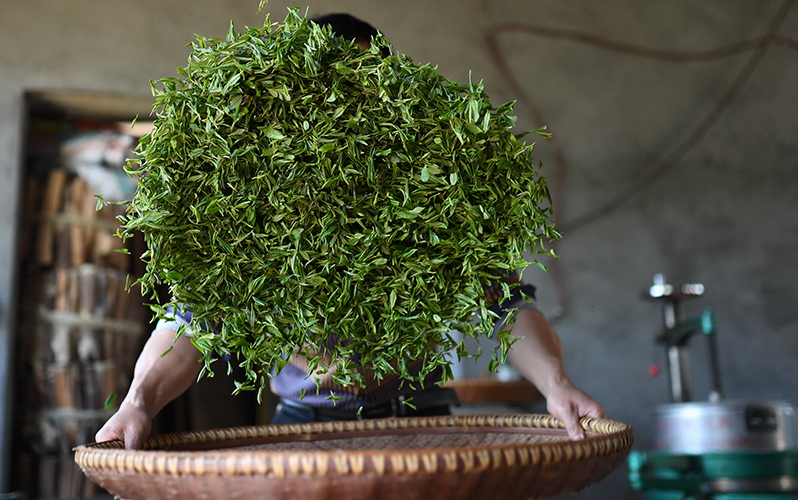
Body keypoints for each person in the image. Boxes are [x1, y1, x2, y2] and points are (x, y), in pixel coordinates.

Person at [96, 13, 604, 450]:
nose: (346, 104)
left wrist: (556, 385)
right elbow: (192, 321)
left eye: (362, 86)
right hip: (303, 425)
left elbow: (504, 305)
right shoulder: (253, 206)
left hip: (418, 420)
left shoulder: (434, 198)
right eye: (328, 85)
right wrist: (138, 403)